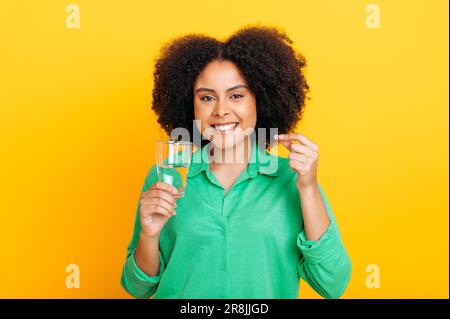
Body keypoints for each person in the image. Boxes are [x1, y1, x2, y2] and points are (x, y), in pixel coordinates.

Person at [120, 25, 351, 299]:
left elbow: (332, 284)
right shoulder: (168, 175)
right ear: (190, 105)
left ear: (260, 100)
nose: (220, 110)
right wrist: (149, 235)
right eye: (207, 97)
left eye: (236, 95)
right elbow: (137, 288)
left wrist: (309, 188)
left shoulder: (293, 180)